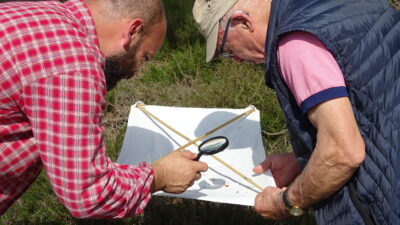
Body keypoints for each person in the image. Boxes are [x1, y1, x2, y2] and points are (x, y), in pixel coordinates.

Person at [193, 0, 399, 224]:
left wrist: (287, 202)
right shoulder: (335, 6)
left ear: (243, 22)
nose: (236, 59)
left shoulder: (296, 44)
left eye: (226, 49)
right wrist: (303, 157)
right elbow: (373, 105)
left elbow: (342, 153)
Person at [0, 0, 208, 218]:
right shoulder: (73, 68)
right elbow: (88, 194)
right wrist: (161, 175)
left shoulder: (39, 12)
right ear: (133, 31)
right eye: (144, 57)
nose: (136, 72)